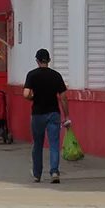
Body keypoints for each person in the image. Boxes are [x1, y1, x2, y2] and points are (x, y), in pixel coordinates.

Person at [23, 48, 71, 183]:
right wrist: (66, 116)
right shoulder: (56, 76)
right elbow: (63, 97)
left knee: (37, 144)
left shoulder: (32, 75)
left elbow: (26, 94)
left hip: (37, 114)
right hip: (53, 114)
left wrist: (33, 98)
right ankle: (54, 172)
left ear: (37, 61)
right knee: (54, 144)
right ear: (49, 60)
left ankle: (37, 174)